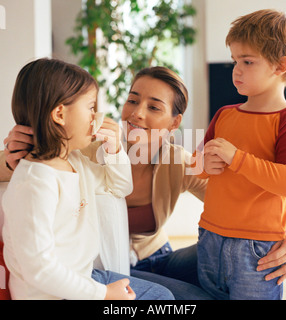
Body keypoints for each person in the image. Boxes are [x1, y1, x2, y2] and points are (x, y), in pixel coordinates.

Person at [1, 66, 286, 299]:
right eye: (132, 100)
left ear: (174, 123)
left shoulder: (179, 161)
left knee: (241, 254)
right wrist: (16, 152)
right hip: (111, 268)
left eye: (154, 107)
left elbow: (240, 202)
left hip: (160, 257)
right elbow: (28, 170)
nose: (137, 113)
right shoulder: (83, 148)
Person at [1, 58, 174, 300]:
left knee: (162, 296)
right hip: (52, 294)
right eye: (91, 107)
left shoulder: (76, 162)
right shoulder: (34, 182)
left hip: (85, 277)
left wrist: (114, 151)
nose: (97, 117)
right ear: (60, 114)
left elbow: (121, 187)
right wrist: (102, 294)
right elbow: (39, 269)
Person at [195, 9, 286, 300]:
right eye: (234, 61)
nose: (236, 70)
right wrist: (204, 164)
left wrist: (236, 158)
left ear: (280, 66)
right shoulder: (224, 115)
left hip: (257, 249)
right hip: (209, 238)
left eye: (247, 61)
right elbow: (198, 167)